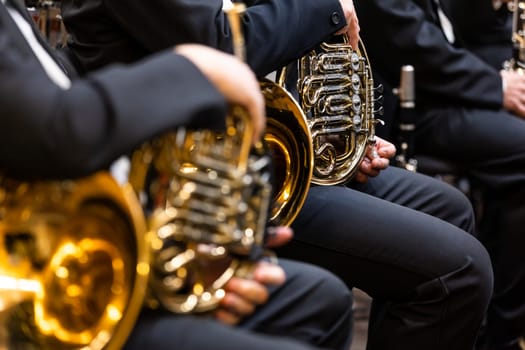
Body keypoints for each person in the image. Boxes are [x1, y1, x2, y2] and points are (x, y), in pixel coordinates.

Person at [59, 0, 494, 349]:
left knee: (449, 208)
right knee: (459, 270)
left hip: (257, 147)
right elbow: (221, 43)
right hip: (190, 173)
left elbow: (273, 53)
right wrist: (327, 8)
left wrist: (338, 136)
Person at [0, 0, 355, 349]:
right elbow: (54, 132)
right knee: (344, 293)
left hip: (112, 214)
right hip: (52, 271)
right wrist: (192, 68)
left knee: (322, 299)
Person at [353, 0, 525, 349]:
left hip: (447, 85)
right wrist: (496, 87)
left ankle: (496, 321)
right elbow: (408, 40)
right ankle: (503, 332)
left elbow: (452, 32)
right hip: (413, 103)